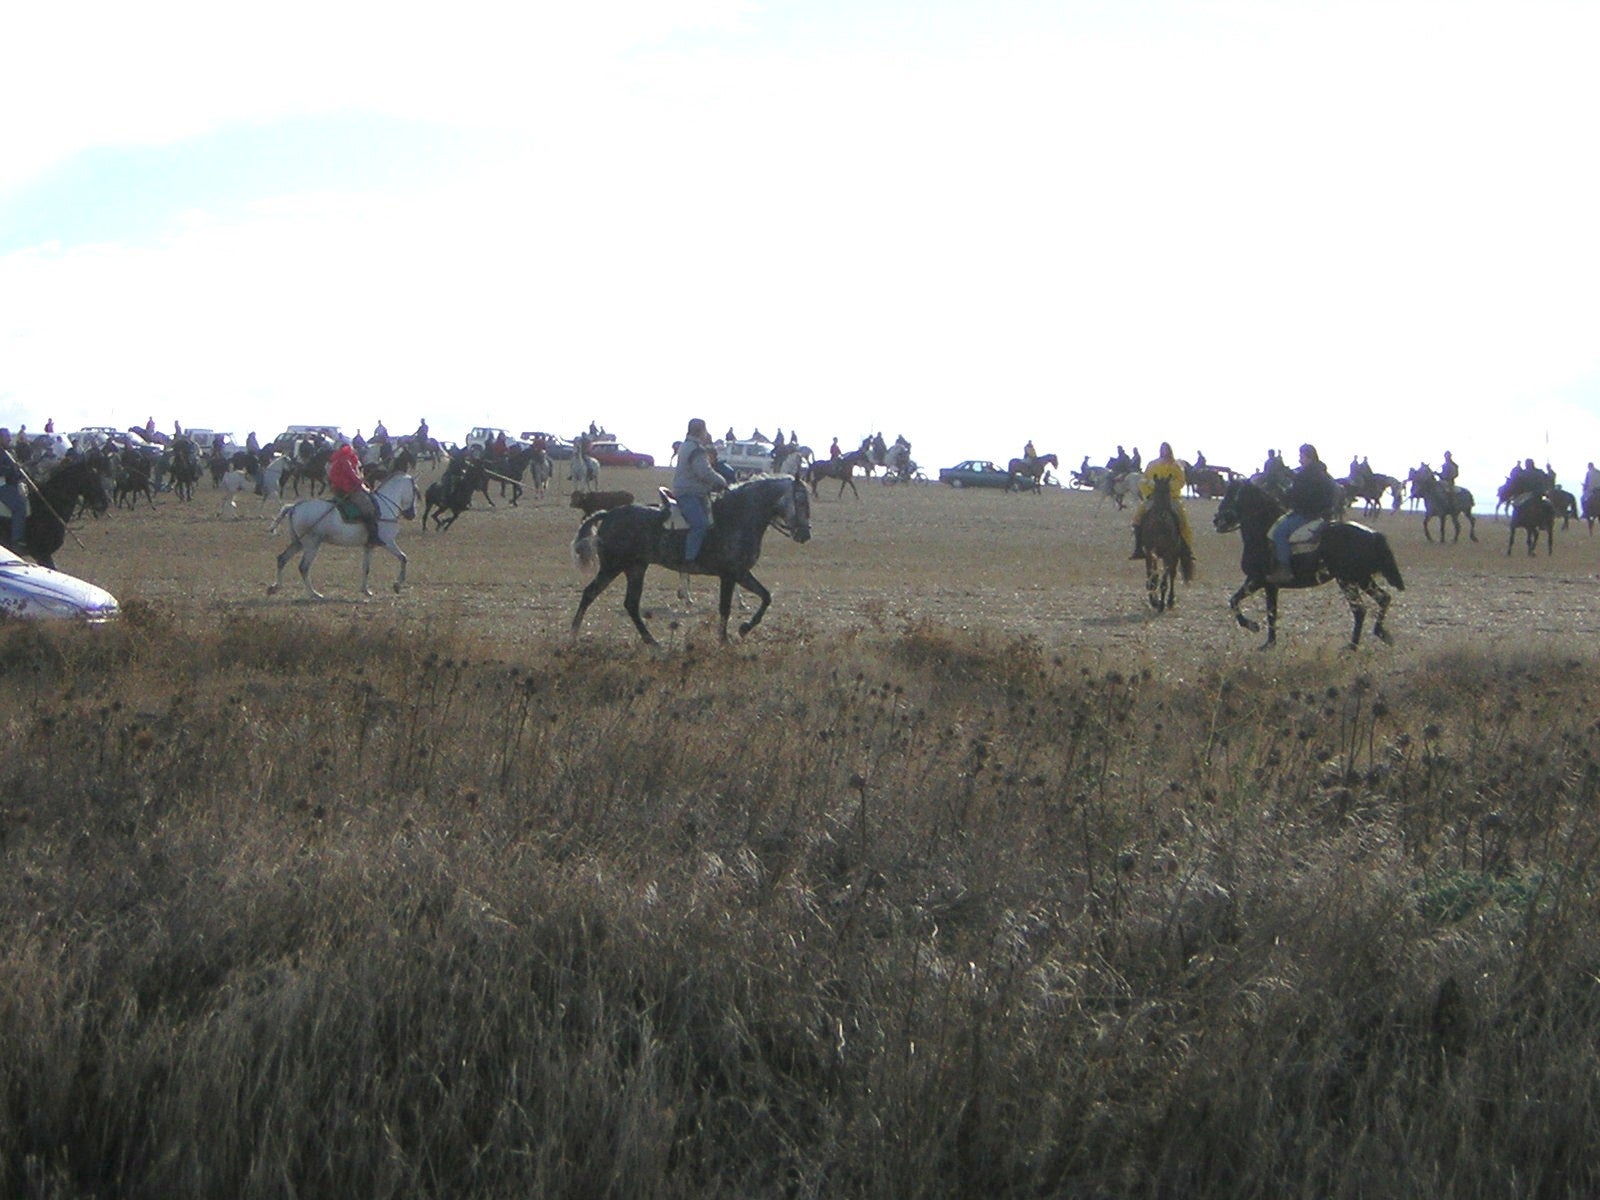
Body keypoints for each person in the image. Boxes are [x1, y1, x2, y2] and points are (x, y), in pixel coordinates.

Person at [1268, 443, 1341, 583]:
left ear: (1309, 457)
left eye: (1301, 456)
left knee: (1279, 533)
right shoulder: (1319, 473)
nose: (1300, 459)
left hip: (1307, 514)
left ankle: (1285, 569)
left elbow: (1301, 495)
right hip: (1312, 512)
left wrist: (1284, 495)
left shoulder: (1309, 475)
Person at [672, 418, 727, 564]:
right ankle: (689, 560)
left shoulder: (686, 446)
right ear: (701, 431)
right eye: (705, 430)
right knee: (700, 524)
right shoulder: (696, 449)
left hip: (689, 491)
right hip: (689, 494)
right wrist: (722, 481)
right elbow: (704, 472)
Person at [1130, 442, 1191, 560]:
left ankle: (1186, 548)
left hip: (1171, 498)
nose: (1164, 451)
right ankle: (1138, 548)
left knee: (1182, 519)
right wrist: (1149, 489)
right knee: (1138, 518)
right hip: (1154, 497)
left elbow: (1181, 481)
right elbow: (1144, 479)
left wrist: (1169, 487)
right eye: (1162, 449)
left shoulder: (1176, 466)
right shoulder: (1152, 464)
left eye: (1166, 449)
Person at [328, 441, 380, 546]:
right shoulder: (345, 460)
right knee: (367, 507)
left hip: (340, 487)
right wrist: (362, 485)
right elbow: (352, 475)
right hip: (347, 489)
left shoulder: (338, 459)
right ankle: (372, 537)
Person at [0, 429, 28, 550]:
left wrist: (21, 475)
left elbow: (15, 471)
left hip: (12, 484)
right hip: (2, 485)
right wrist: (13, 469)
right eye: (7, 437)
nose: (10, 439)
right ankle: (16, 540)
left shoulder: (8, 452)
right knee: (19, 506)